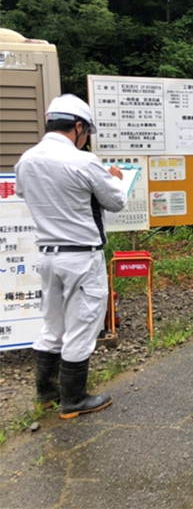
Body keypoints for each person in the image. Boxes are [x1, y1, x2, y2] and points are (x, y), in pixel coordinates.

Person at [15, 94, 128, 419]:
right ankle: (75, 398)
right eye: (85, 132)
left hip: (48, 257)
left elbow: (24, 192)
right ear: (78, 127)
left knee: (53, 324)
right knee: (83, 324)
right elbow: (115, 201)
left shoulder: (27, 160)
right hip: (81, 257)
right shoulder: (83, 161)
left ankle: (46, 392)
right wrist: (116, 179)